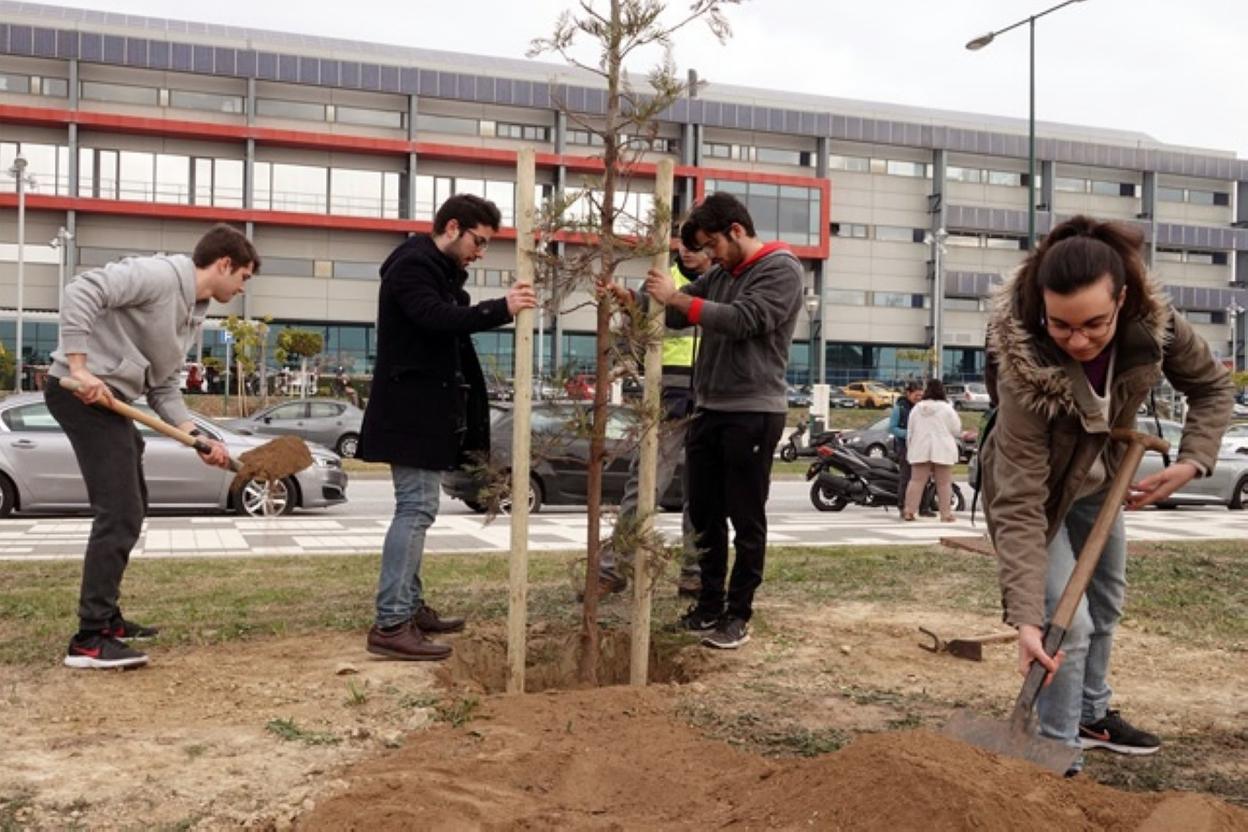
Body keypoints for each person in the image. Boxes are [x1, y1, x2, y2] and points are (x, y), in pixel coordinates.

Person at [980, 215, 1233, 773]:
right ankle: (1057, 751)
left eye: (1094, 324)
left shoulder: (1155, 326)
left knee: (1105, 600)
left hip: (1101, 479)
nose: (1078, 341)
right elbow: (1019, 503)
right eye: (1061, 325)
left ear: (1122, 300)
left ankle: (1091, 714)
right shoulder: (1023, 362)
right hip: (1036, 493)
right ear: (1041, 308)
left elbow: (1212, 386)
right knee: (1065, 623)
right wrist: (1026, 619)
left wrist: (1192, 460)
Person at [45, 224, 251, 669]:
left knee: (133, 506)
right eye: (244, 277)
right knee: (118, 512)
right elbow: (83, 289)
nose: (242, 288)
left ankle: (108, 618)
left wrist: (197, 437)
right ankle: (89, 639)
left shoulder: (192, 314)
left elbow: (164, 387)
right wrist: (79, 367)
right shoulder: (160, 276)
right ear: (224, 264)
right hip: (80, 393)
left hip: (113, 402)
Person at [358, 194, 536, 661]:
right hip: (410, 414)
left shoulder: (436, 269)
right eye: (479, 241)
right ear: (453, 227)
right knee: (415, 509)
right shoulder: (412, 266)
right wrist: (502, 307)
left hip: (422, 412)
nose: (481, 253)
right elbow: (435, 318)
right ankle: (391, 623)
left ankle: (408, 608)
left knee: (418, 509)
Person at [642, 192, 803, 650]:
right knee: (704, 514)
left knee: (745, 517)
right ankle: (708, 605)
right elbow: (679, 314)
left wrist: (677, 296)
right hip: (708, 408)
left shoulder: (780, 269)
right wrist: (637, 299)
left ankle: (738, 613)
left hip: (753, 411)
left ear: (736, 230)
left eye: (712, 244)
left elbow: (743, 319)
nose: (709, 256)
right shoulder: (721, 274)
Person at [597, 243, 710, 601]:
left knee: (702, 490)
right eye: (684, 244)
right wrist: (628, 303)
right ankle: (613, 568)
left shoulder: (721, 281)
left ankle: (694, 573)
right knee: (646, 482)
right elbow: (637, 328)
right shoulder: (662, 277)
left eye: (697, 245)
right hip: (667, 391)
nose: (688, 251)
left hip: (710, 391)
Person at [902, 379, 961, 522]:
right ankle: (946, 514)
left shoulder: (917, 408)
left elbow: (910, 430)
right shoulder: (947, 408)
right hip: (942, 448)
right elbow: (956, 429)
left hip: (920, 447)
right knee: (944, 483)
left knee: (916, 481)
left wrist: (910, 447)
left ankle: (909, 511)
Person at [888, 381, 924, 515]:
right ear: (908, 393)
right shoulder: (900, 408)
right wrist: (908, 434)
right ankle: (902, 505)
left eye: (921, 395)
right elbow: (892, 428)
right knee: (906, 476)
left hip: (920, 446)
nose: (919, 398)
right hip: (904, 446)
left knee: (922, 477)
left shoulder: (922, 407)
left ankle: (923, 507)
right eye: (916, 395)